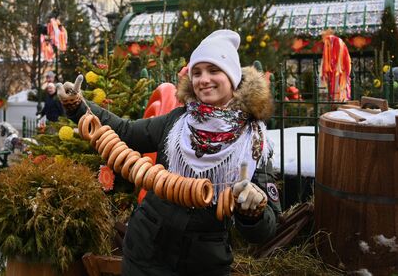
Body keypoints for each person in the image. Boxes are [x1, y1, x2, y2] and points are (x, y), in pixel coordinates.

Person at [57, 30, 281, 275]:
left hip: (204, 263)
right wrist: (78, 106)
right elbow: (126, 132)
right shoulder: (178, 121)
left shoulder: (255, 142)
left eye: (213, 70)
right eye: (197, 72)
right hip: (146, 252)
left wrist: (254, 213)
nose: (203, 79)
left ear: (233, 77)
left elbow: (265, 231)